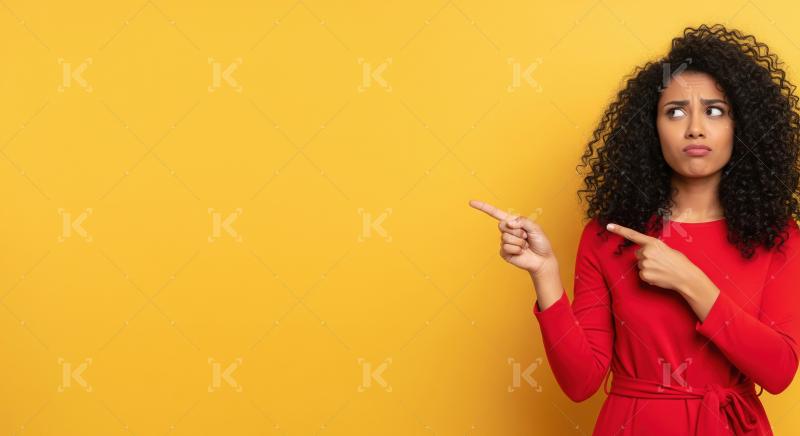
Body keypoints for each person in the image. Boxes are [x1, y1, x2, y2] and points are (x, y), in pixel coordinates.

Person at [470, 23, 800, 435]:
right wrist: (545, 274)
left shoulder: (780, 238)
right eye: (675, 111)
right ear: (650, 129)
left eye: (715, 110)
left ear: (743, 126)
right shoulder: (608, 236)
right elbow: (580, 383)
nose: (695, 128)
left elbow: (779, 371)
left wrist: (689, 280)